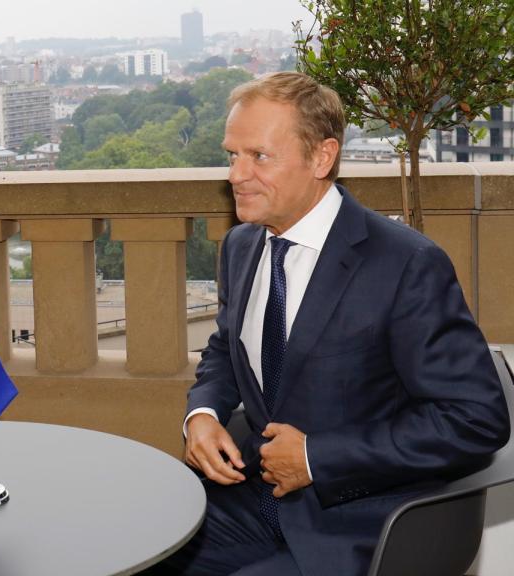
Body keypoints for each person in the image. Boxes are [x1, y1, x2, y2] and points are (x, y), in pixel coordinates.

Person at [167, 72, 509, 575]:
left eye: (258, 156)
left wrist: (316, 458)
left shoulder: (405, 265)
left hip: (357, 525)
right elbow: (225, 349)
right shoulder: (242, 246)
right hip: (249, 503)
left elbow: (476, 418)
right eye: (231, 155)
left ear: (322, 157)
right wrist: (203, 415)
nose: (236, 175)